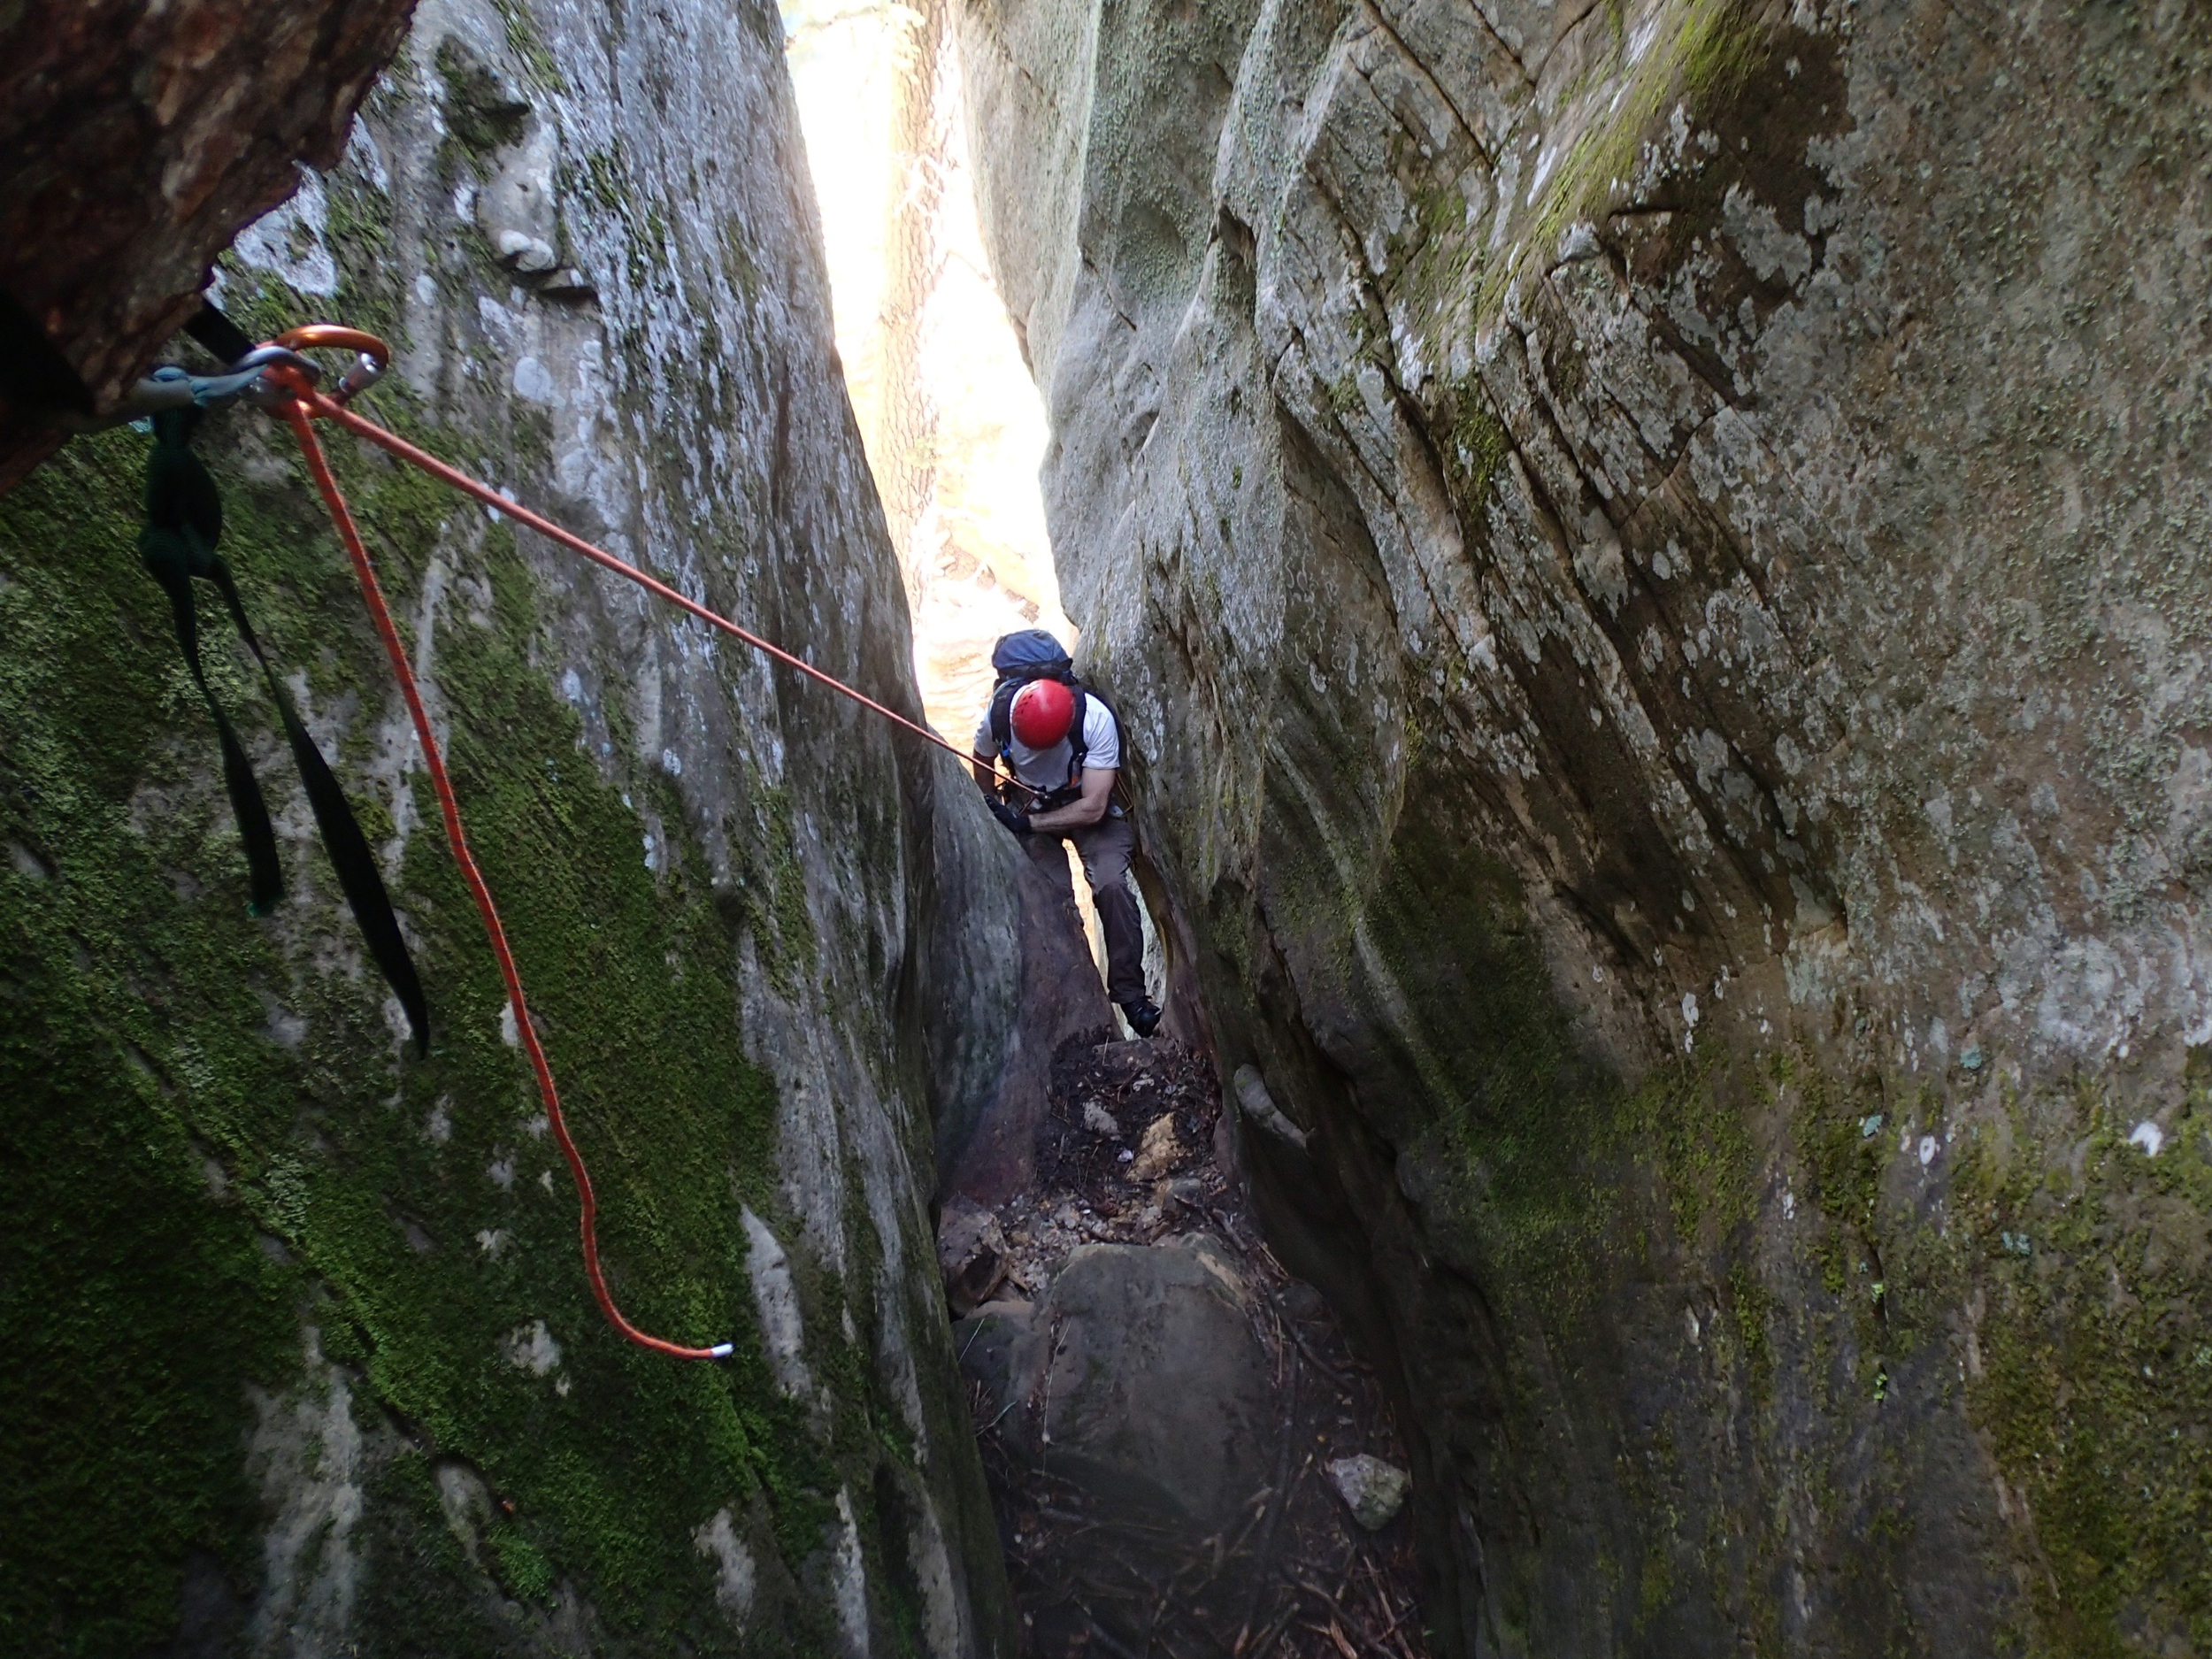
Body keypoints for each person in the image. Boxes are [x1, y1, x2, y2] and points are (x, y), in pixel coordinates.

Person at [972, 630, 1163, 1039]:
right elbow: (983, 761)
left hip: (1085, 807)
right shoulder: (1000, 713)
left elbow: (1093, 806)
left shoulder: (1093, 720)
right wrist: (992, 808)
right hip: (1030, 803)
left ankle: (1131, 997)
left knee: (1111, 886)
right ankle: (1073, 1000)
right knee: (1051, 901)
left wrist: (1028, 825)